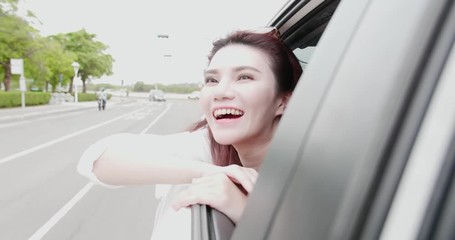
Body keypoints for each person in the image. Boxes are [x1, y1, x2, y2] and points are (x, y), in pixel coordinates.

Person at [77, 27, 302, 239]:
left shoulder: (313, 169)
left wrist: (246, 213)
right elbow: (97, 161)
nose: (221, 92)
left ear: (283, 101)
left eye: (244, 77)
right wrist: (211, 172)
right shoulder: (208, 147)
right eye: (212, 80)